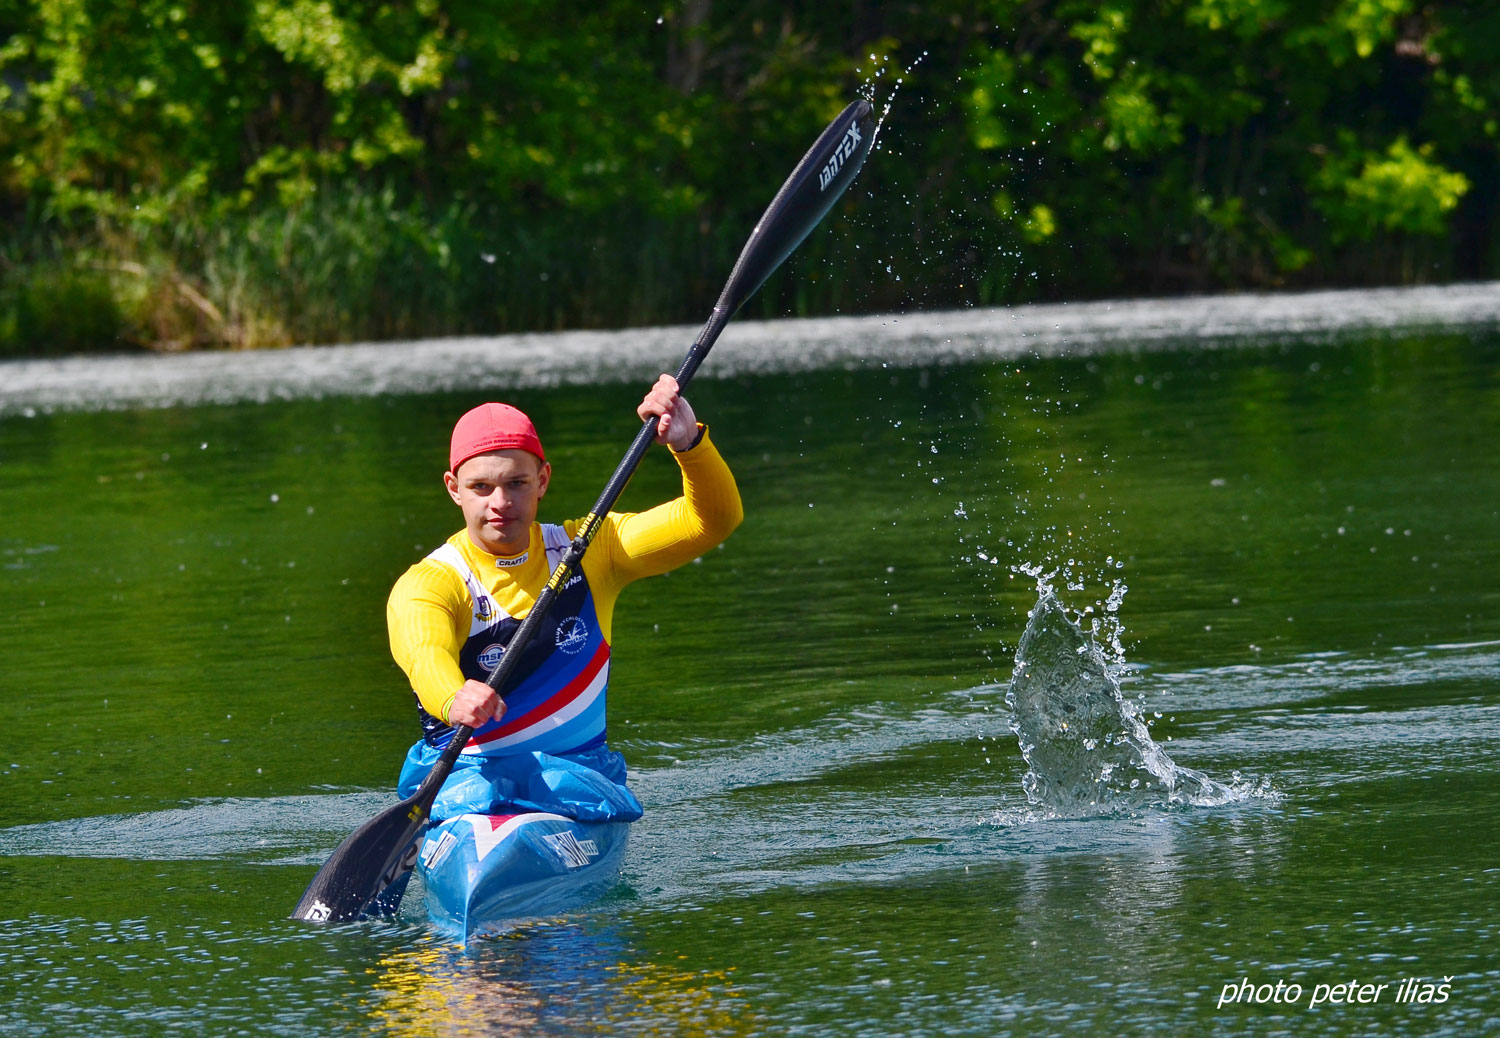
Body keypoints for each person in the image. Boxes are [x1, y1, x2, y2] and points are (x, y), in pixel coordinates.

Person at [386, 375, 742, 823]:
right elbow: (424, 655)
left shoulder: (594, 549)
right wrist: (453, 696)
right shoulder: (430, 583)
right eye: (480, 487)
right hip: (467, 787)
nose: (500, 502)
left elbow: (713, 521)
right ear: (454, 488)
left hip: (578, 784)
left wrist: (689, 444)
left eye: (516, 483)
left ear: (543, 480)